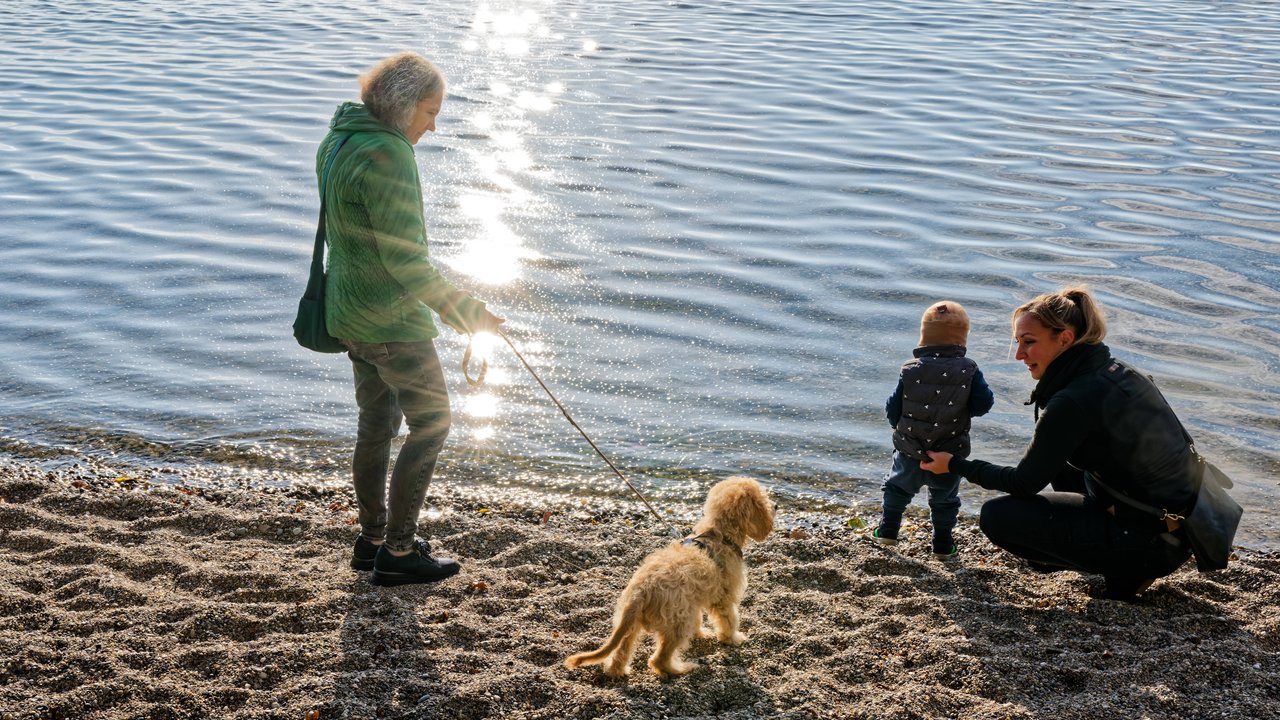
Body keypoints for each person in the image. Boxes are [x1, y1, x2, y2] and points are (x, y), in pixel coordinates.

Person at [317, 52, 503, 586]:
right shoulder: (391, 154)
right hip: (391, 322)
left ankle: (371, 539)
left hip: (347, 310)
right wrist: (468, 314)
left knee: (376, 425)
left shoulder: (339, 139)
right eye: (429, 110)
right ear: (403, 106)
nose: (433, 124)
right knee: (433, 423)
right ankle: (398, 552)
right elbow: (405, 260)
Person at [920, 287, 1195, 600]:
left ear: (1064, 338)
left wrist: (954, 464)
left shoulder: (1073, 401)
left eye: (1029, 342)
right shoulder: (1118, 372)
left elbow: (1022, 483)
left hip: (1151, 543)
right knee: (1061, 458)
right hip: (1180, 528)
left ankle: (1126, 569)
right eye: (1018, 342)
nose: (1020, 354)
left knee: (997, 517)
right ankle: (1097, 552)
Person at [872, 301, 994, 558]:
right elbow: (983, 405)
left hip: (909, 449)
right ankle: (942, 545)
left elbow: (893, 407)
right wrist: (963, 408)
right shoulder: (969, 370)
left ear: (923, 337)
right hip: (949, 454)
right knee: (944, 499)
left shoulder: (910, 370)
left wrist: (900, 429)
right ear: (962, 340)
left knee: (896, 489)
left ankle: (888, 531)